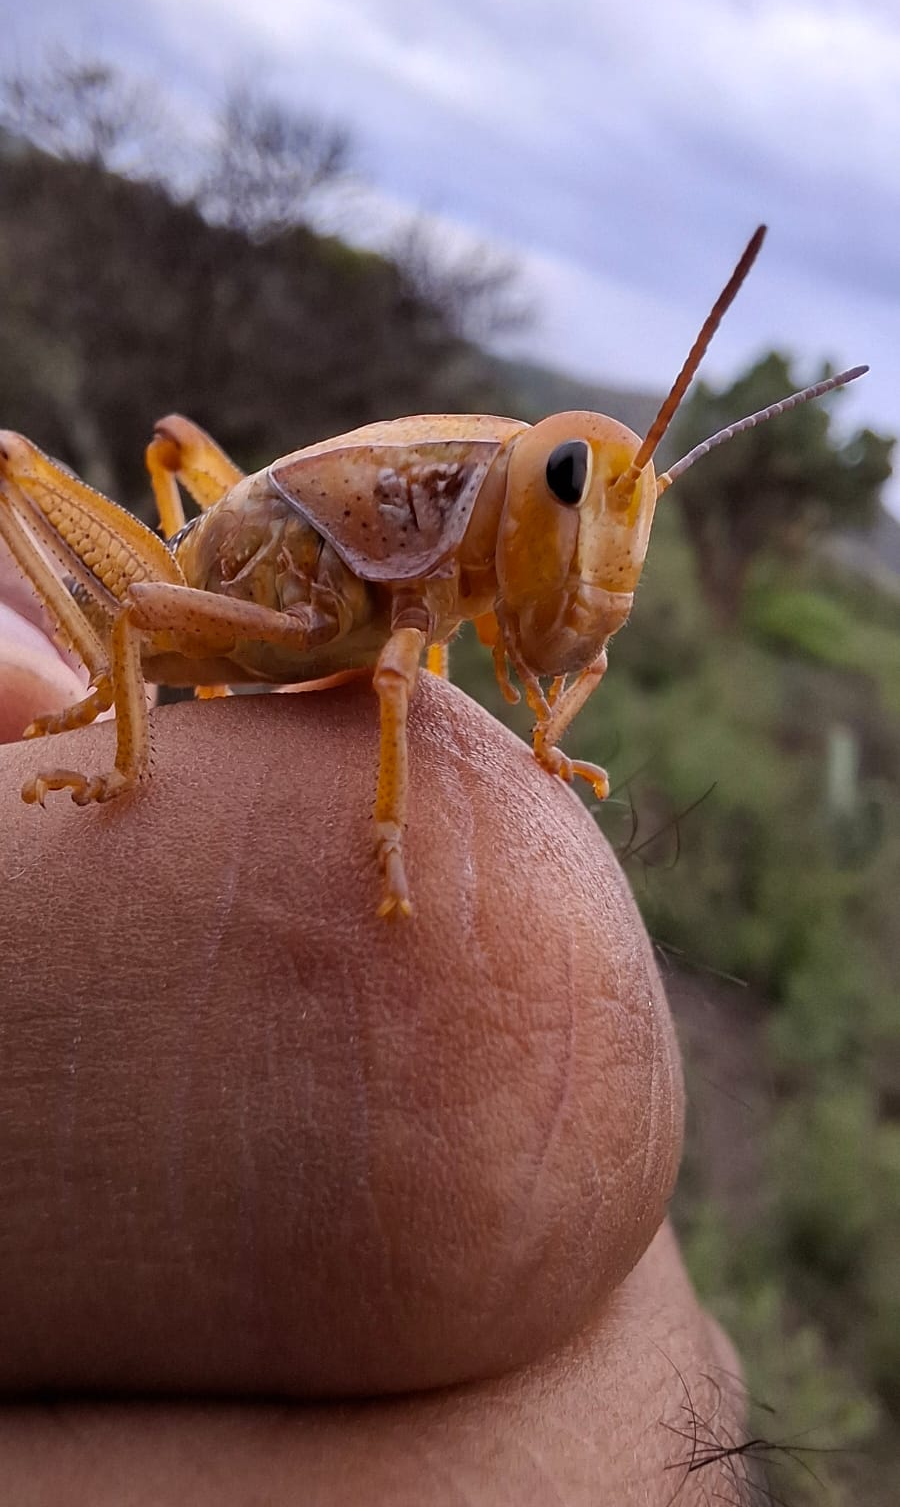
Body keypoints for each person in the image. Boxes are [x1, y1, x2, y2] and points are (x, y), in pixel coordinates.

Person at [0, 566, 745, 1505]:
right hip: (219, 600)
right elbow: (369, 664)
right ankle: (121, 752)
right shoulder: (415, 560)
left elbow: (536, 648)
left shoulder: (457, 583)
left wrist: (545, 742)